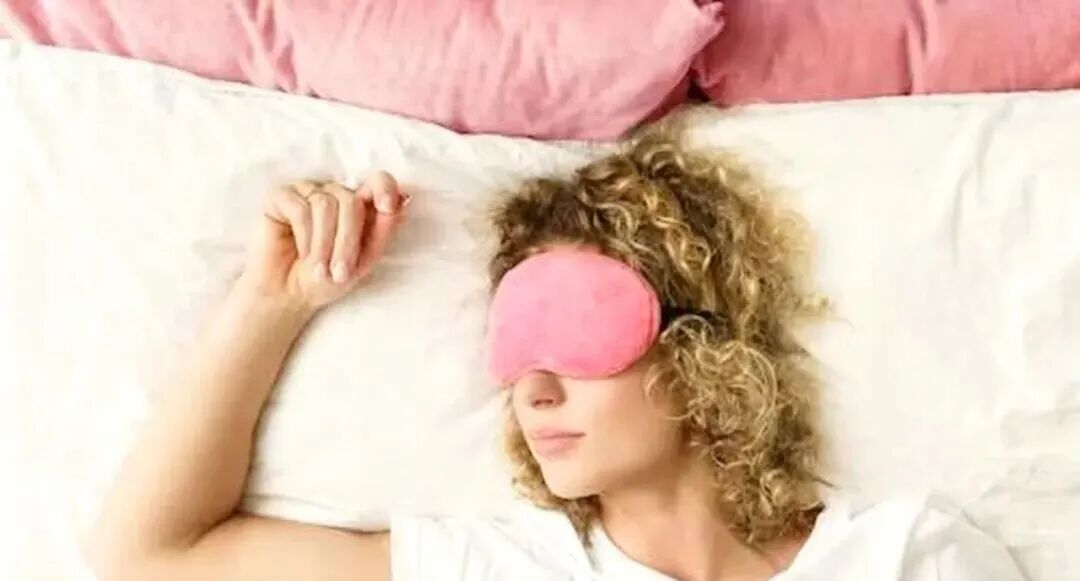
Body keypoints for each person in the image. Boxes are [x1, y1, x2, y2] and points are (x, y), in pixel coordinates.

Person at [85, 131, 1024, 581]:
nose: (530, 388)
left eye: (570, 330)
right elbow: (148, 558)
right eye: (512, 346)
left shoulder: (909, 558)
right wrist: (273, 300)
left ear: (695, 342)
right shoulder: (495, 569)